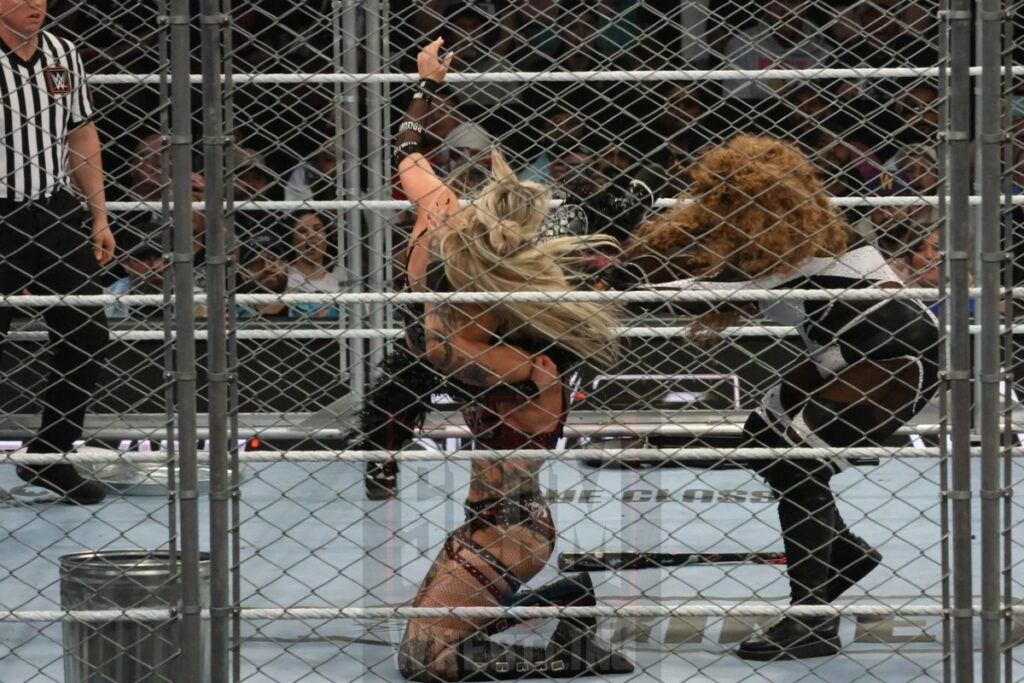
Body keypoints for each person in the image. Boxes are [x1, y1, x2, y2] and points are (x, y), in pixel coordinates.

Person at [631, 135, 939, 660]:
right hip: (841, 350)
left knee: (798, 463)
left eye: (725, 195)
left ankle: (812, 621)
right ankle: (841, 555)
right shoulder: (773, 238)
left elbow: (672, 279)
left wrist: (624, 245)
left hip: (892, 356)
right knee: (762, 436)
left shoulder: (782, 244)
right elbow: (681, 265)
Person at [392, 37, 632, 680]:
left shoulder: (515, 351)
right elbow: (410, 159)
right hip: (497, 517)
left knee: (426, 665)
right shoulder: (458, 248)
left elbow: (408, 155)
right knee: (423, 657)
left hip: (510, 526)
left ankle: (567, 635)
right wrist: (427, 89)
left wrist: (426, 90)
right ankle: (570, 615)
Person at [0, 0, 115, 504]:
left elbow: (81, 132)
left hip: (53, 210)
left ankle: (51, 451)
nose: (34, 5)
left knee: (88, 330)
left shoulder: (62, 52)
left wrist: (99, 214)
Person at [285, 210, 340, 319]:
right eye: (302, 231)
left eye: (318, 229)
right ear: (292, 241)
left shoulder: (341, 278)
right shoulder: (284, 278)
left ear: (327, 237)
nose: (311, 235)